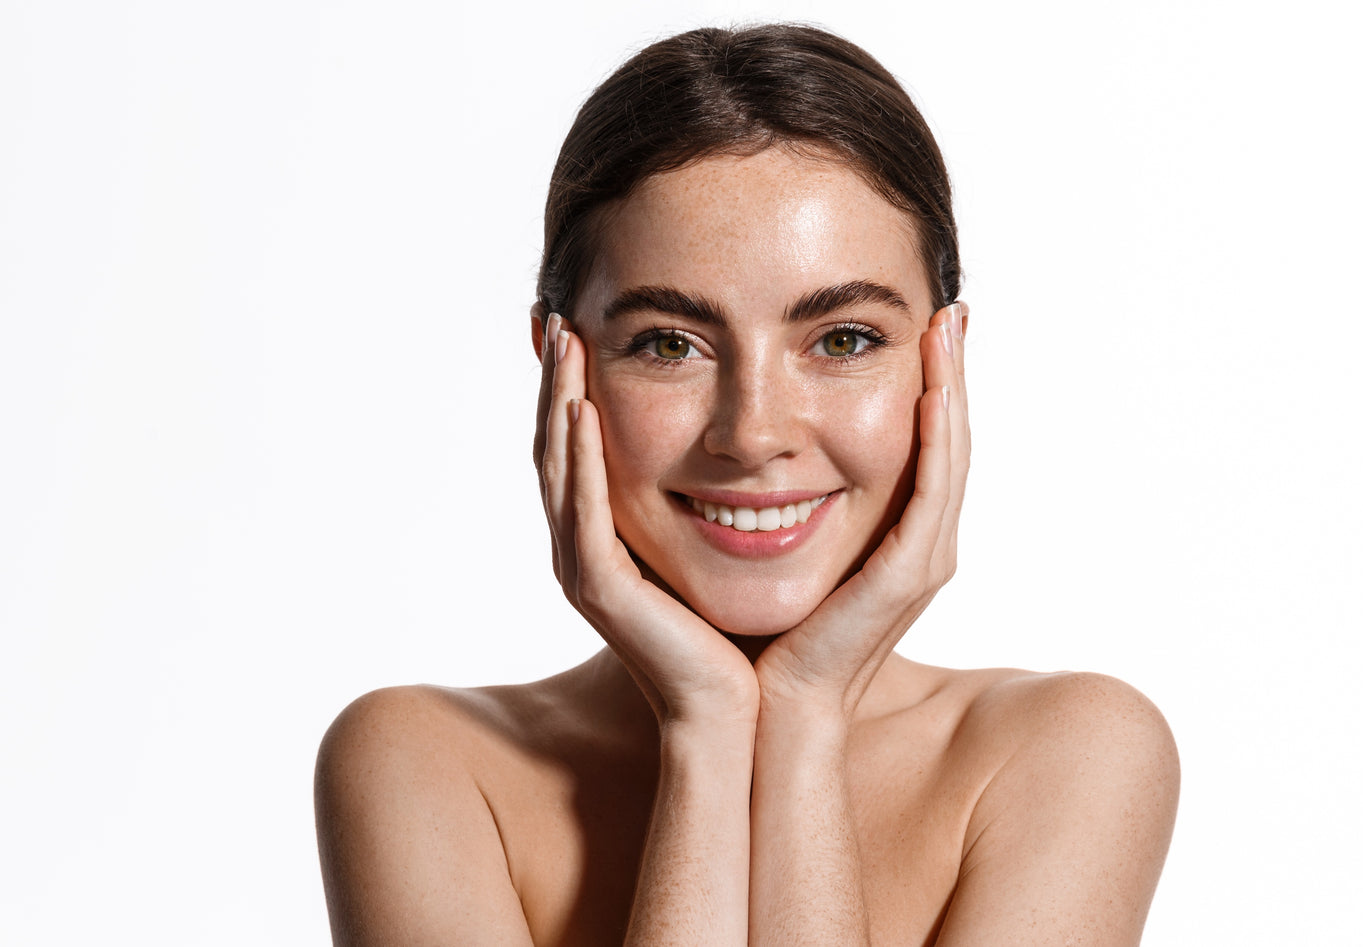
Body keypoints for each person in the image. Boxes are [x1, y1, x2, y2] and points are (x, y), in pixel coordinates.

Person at [314, 23, 1179, 946]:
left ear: (945, 361)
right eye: (669, 344)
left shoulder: (1067, 755)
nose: (754, 434)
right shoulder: (427, 766)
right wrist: (707, 733)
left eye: (844, 338)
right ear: (560, 365)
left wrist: (805, 719)